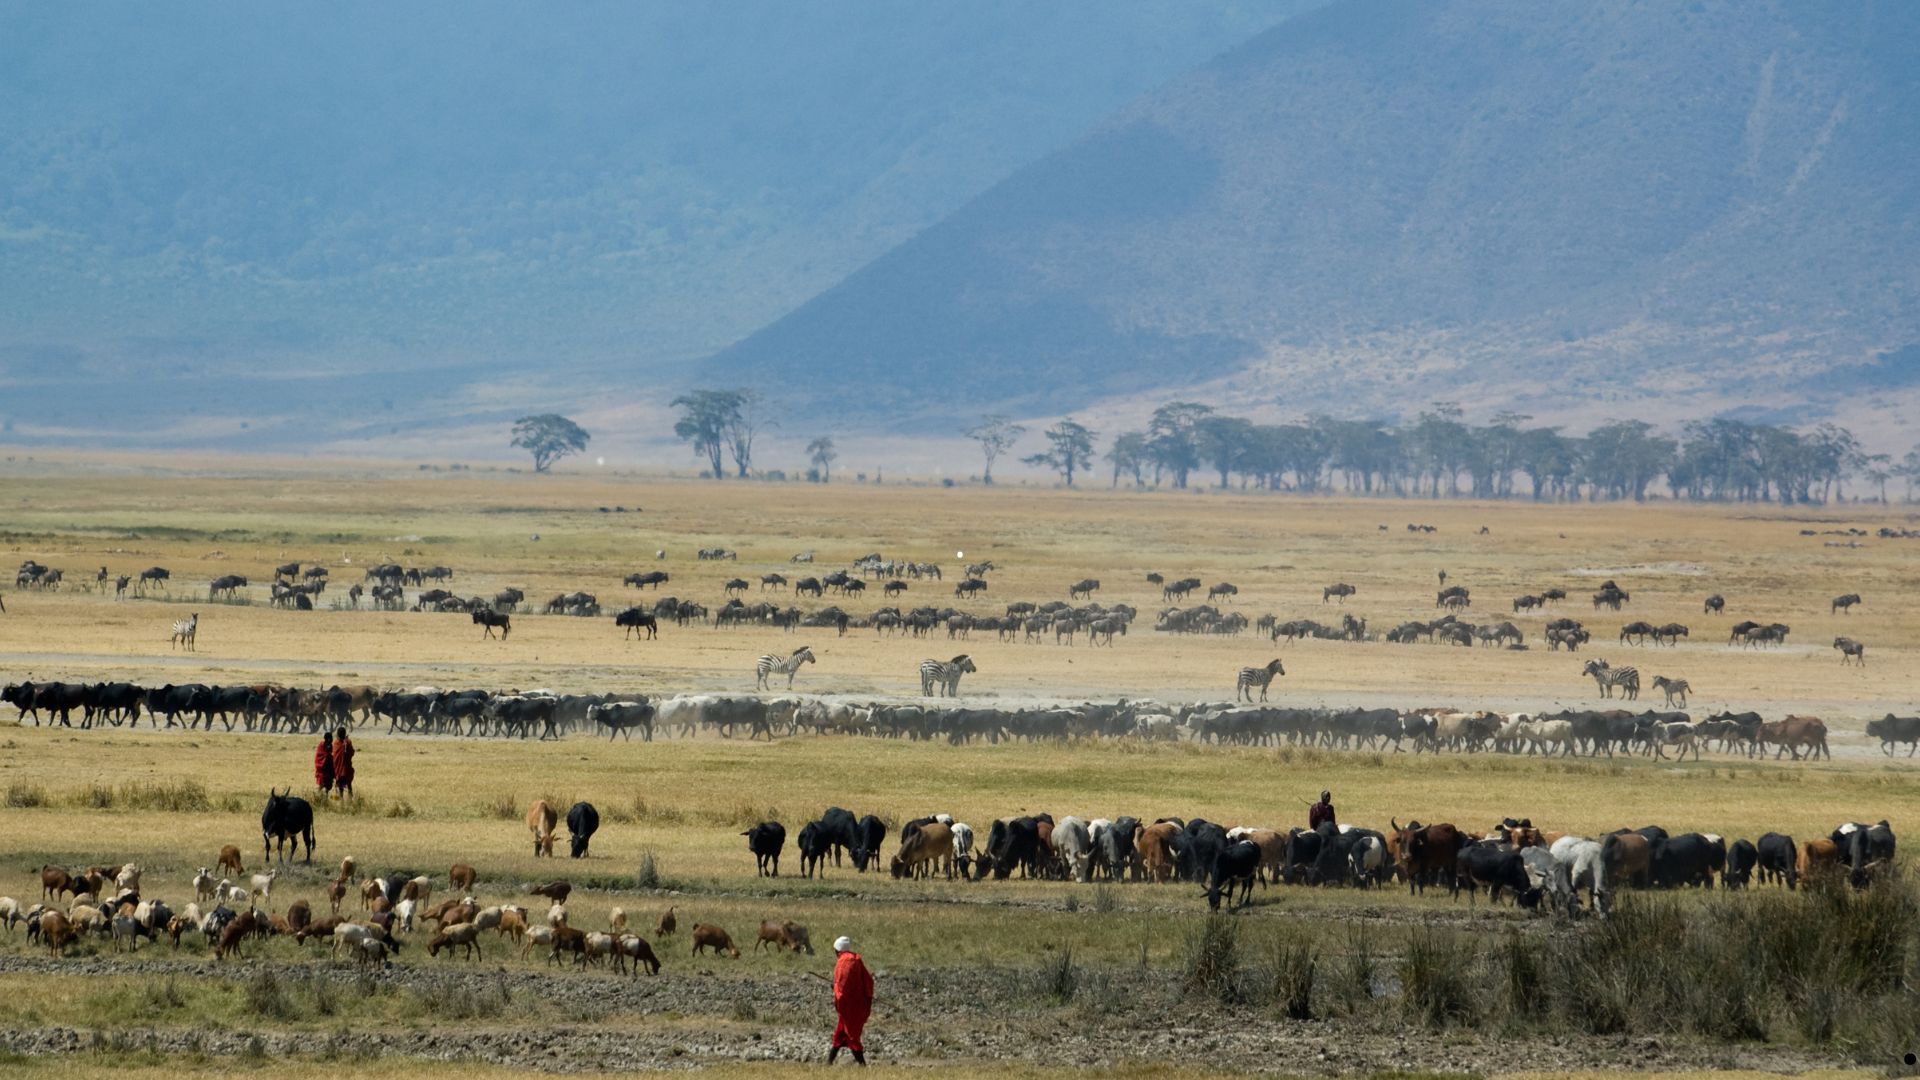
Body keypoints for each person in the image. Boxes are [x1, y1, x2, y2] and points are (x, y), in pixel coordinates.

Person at [827, 935, 873, 1066]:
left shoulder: (844, 962)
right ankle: (828, 1063)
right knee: (839, 1035)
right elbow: (867, 980)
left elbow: (842, 988)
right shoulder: (856, 959)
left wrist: (834, 986)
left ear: (837, 950)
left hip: (850, 1007)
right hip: (857, 1004)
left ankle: (862, 1065)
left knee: (851, 1036)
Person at [331, 726, 355, 799]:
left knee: (340, 785)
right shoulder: (348, 742)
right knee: (349, 785)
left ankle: (341, 800)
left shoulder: (336, 743)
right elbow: (352, 752)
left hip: (338, 768)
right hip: (347, 767)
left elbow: (334, 754)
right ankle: (350, 800)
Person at [313, 731, 335, 797]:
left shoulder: (330, 745)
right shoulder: (321, 745)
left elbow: (330, 755)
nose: (332, 739)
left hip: (328, 769)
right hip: (322, 769)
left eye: (332, 738)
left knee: (327, 786)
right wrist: (327, 756)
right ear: (327, 739)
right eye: (330, 738)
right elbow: (319, 755)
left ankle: (326, 797)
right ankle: (316, 796)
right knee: (321, 785)